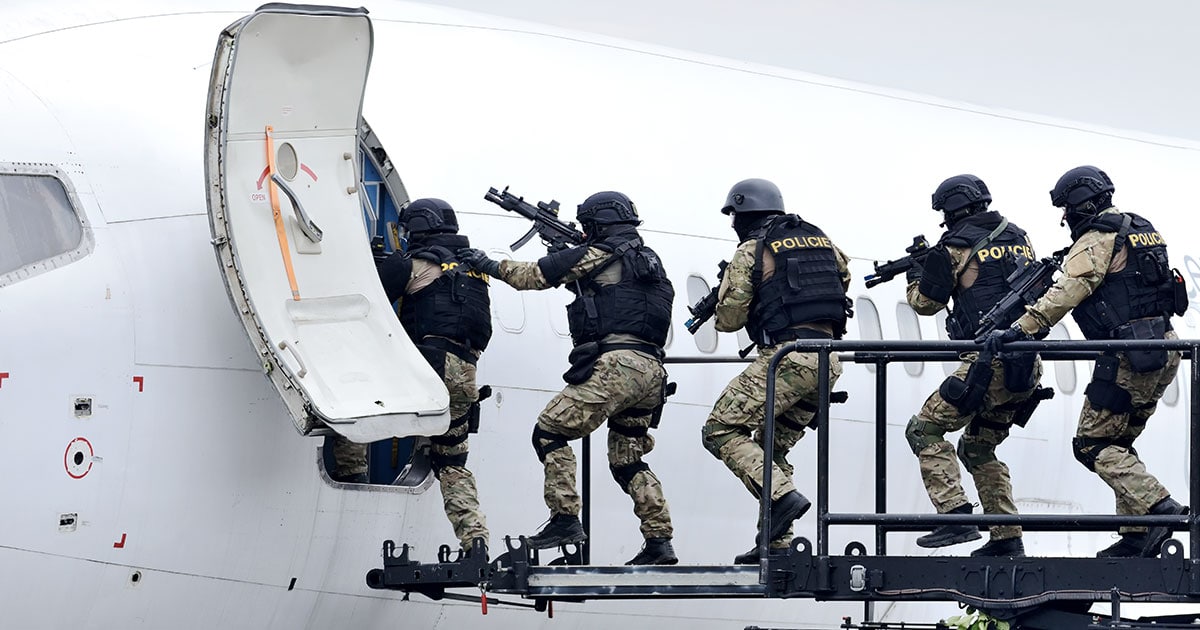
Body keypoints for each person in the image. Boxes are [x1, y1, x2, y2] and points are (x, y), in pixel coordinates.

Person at [459, 191, 678, 565]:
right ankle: (660, 542)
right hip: (652, 373)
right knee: (628, 460)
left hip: (617, 367)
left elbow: (535, 276)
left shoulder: (599, 254)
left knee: (550, 432)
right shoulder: (648, 262)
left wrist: (488, 265)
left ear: (597, 225)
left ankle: (564, 518)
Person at [982, 165, 1189, 558]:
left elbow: (1067, 292)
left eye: (1067, 209)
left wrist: (1023, 330)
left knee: (1090, 444)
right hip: (1162, 348)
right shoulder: (1142, 229)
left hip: (1128, 354)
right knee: (1120, 441)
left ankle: (1160, 508)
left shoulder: (1099, 239)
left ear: (1084, 202)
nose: (1065, 218)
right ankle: (1137, 533)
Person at [699, 178, 853, 565]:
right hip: (829, 359)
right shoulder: (822, 240)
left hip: (788, 357)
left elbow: (729, 320)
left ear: (742, 213)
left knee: (719, 430)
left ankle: (782, 497)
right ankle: (777, 543)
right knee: (773, 445)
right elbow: (842, 280)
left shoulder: (752, 249)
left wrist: (726, 304)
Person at [332, 197, 492, 554]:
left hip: (428, 364)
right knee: (451, 460)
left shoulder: (417, 264)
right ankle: (475, 540)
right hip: (465, 372)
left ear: (418, 228)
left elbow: (369, 299)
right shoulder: (475, 268)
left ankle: (351, 473)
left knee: (358, 400)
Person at [904, 175, 1043, 558]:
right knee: (979, 447)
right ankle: (1006, 538)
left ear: (951, 209)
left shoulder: (955, 247)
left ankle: (955, 516)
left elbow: (925, 303)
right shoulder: (1019, 236)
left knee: (924, 429)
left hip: (986, 365)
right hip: (1027, 365)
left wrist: (916, 273)